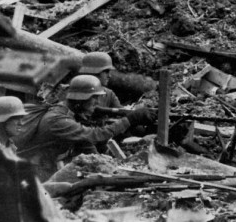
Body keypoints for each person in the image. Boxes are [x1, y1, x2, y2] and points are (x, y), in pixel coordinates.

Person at [16, 75, 153, 181]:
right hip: (35, 171)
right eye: (94, 98)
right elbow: (95, 135)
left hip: (44, 166)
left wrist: (104, 164)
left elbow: (84, 143)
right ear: (81, 99)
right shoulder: (58, 120)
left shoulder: (67, 112)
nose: (97, 102)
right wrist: (130, 119)